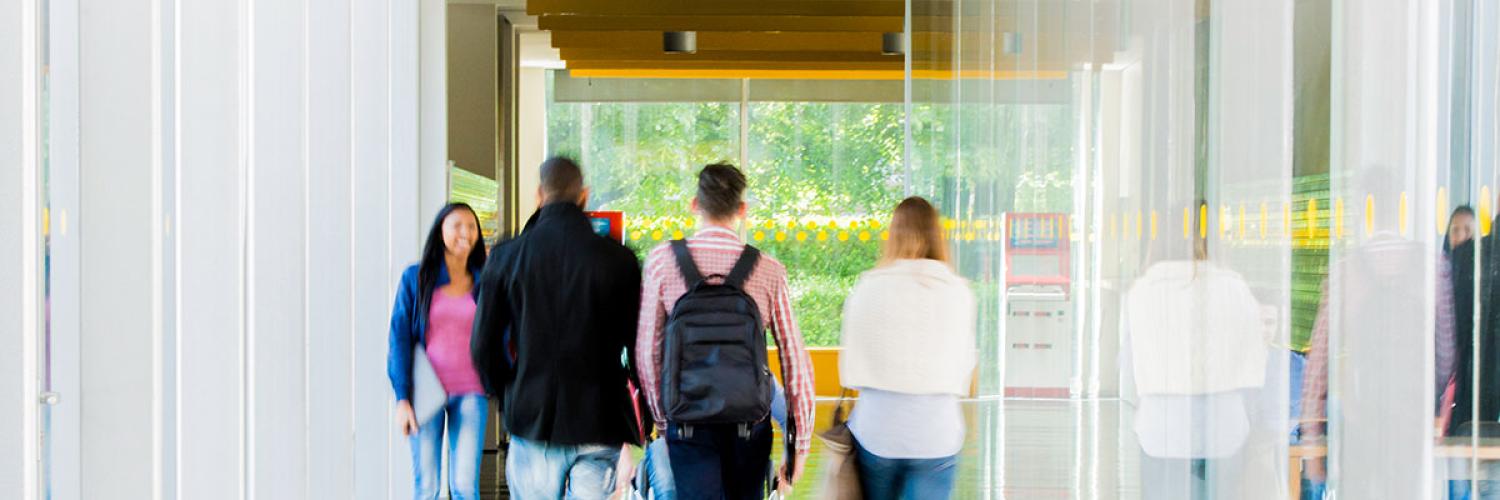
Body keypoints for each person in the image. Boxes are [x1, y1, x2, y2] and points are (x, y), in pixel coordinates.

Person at [635, 163, 816, 499]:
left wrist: (664, 420)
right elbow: (795, 361)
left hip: (687, 423)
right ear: (742, 211)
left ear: (694, 205)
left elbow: (648, 352)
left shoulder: (662, 261)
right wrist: (798, 444)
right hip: (749, 426)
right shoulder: (769, 269)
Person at [471, 157, 645, 499]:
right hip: (601, 416)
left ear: (539, 194)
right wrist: (647, 413)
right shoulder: (619, 259)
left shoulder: (508, 256)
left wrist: (507, 390)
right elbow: (637, 345)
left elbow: (483, 345)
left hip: (533, 416)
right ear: (584, 195)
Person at [838, 197, 976, 500]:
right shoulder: (958, 292)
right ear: (936, 235)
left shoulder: (868, 288)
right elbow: (965, 364)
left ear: (893, 235)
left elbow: (849, 368)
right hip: (937, 432)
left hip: (878, 430)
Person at [1122, 215, 1269, 500]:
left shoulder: (1141, 292)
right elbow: (1254, 365)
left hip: (1160, 430)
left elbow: (1129, 365)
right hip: (1224, 428)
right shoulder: (1235, 288)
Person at [387, 202, 490, 500]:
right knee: (427, 488)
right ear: (440, 230)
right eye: (457, 225)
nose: (465, 233)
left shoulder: (485, 280)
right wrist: (402, 398)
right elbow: (399, 338)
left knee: (465, 488)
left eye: (472, 226)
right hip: (426, 392)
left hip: (472, 392)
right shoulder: (416, 278)